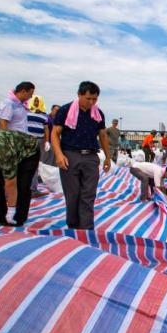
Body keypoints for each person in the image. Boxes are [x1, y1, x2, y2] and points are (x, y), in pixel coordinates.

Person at [51, 81, 111, 230]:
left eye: (94, 99)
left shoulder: (98, 114)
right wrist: (58, 154)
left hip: (91, 157)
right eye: (88, 98)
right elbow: (55, 133)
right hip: (70, 156)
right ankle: (73, 226)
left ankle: (86, 229)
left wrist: (108, 157)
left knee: (88, 195)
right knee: (73, 195)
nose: (91, 102)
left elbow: (103, 136)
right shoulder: (65, 110)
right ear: (79, 95)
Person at [26, 95, 49, 197]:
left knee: (34, 165)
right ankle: (22, 189)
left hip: (38, 140)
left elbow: (46, 129)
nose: (36, 103)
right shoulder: (25, 112)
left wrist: (46, 141)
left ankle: (33, 190)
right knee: (23, 163)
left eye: (37, 102)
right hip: (26, 140)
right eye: (34, 101)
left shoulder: (44, 116)